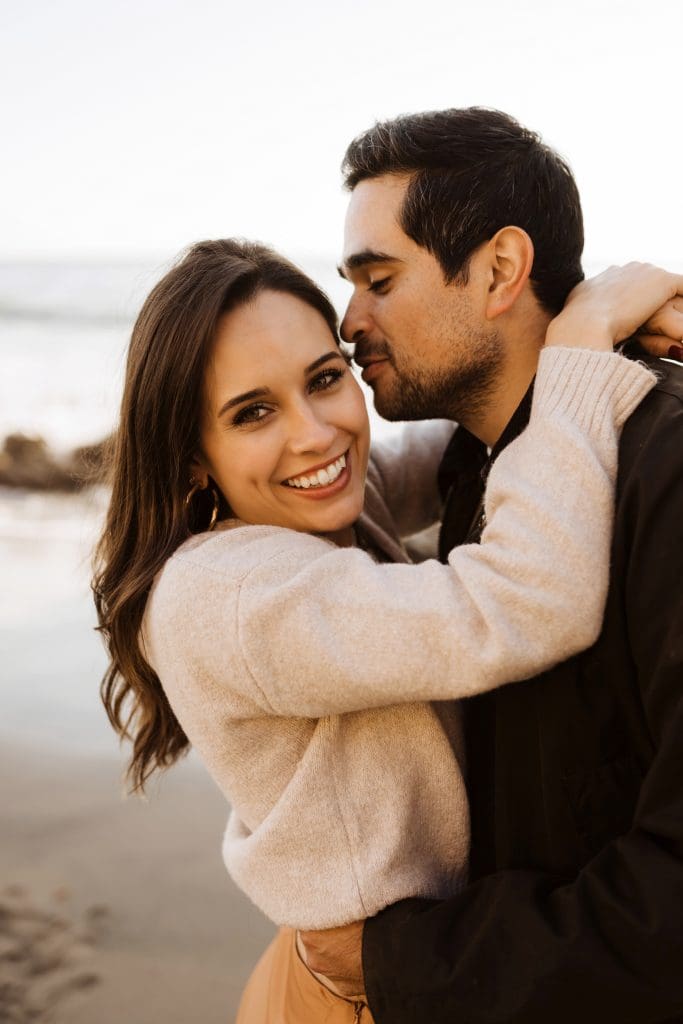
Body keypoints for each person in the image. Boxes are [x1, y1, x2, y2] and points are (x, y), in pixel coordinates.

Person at [299, 107, 683, 1023]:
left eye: (378, 280)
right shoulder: (477, 463)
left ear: (501, 269)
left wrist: (405, 962)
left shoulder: (666, 468)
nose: (348, 323)